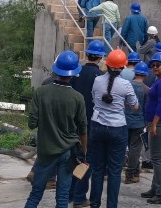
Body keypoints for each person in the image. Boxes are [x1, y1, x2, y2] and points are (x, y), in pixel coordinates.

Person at [24, 51, 88, 208]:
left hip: (46, 151)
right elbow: (82, 128)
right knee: (63, 196)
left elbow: (32, 123)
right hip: (68, 152)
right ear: (73, 74)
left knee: (36, 193)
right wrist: (84, 151)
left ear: (56, 69)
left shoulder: (41, 92)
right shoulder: (77, 97)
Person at [88, 50, 138, 208]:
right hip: (117, 128)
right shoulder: (126, 84)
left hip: (97, 126)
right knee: (115, 171)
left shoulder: (97, 80)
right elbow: (135, 106)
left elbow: (94, 98)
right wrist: (124, 104)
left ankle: (94, 204)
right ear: (123, 67)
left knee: (97, 169)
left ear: (107, 65)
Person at [71, 40, 105, 208]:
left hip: (73, 121)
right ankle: (79, 196)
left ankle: (70, 193)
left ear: (87, 54)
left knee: (73, 158)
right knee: (87, 160)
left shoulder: (76, 73)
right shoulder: (101, 77)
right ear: (100, 57)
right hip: (91, 123)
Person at [140, 52, 161, 205]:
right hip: (157, 123)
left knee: (157, 159)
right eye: (153, 65)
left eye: (158, 65)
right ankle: (155, 188)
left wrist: (154, 124)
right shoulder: (158, 80)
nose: (155, 67)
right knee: (155, 158)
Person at [124, 61, 149, 184]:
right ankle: (130, 174)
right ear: (145, 75)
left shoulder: (126, 85)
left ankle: (135, 171)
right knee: (135, 149)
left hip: (125, 121)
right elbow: (146, 109)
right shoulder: (146, 90)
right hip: (139, 123)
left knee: (128, 147)